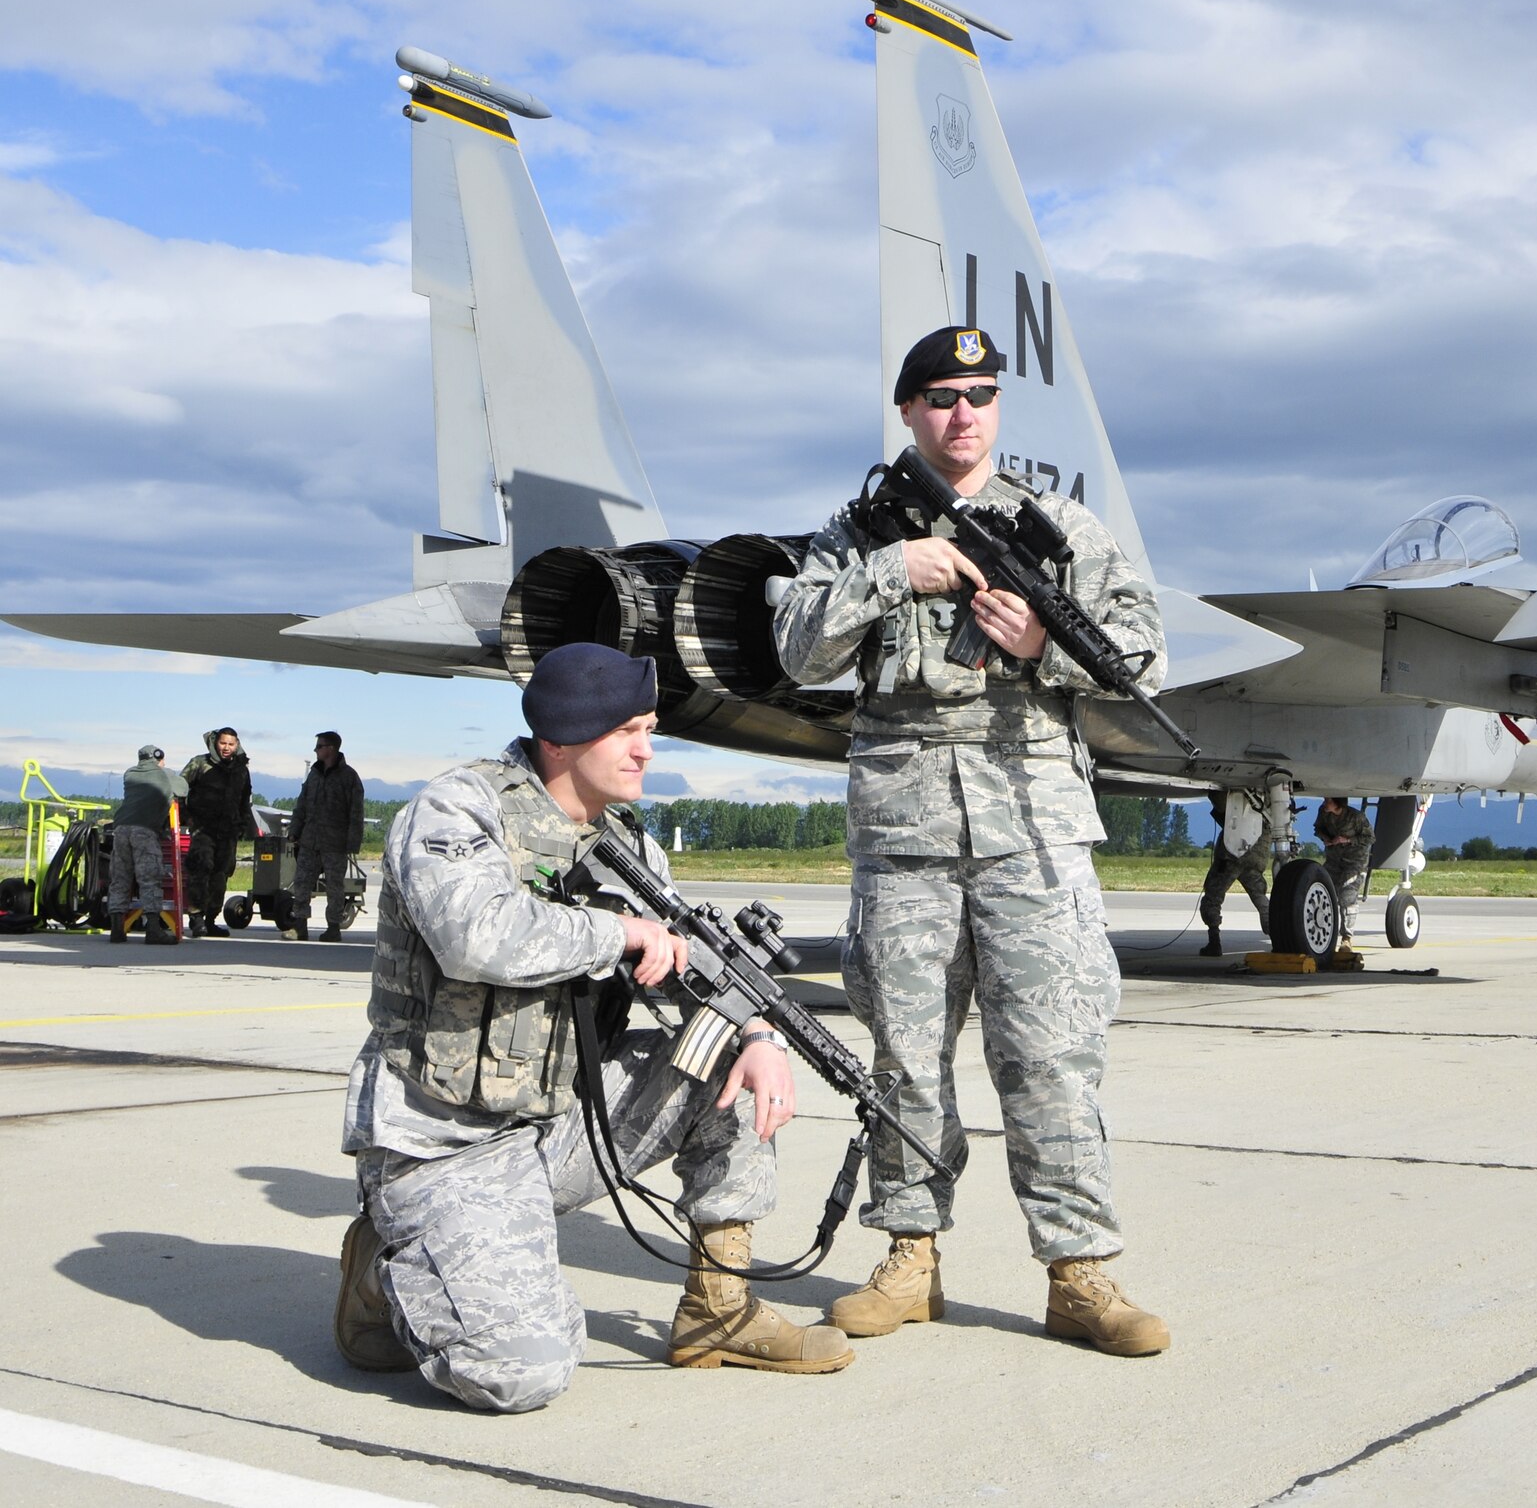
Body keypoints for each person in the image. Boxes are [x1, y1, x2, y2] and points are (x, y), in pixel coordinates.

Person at [773, 324, 1171, 1358]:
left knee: (1051, 1052)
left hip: (1029, 821)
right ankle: (911, 1256)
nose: (963, 414)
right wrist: (890, 571)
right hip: (903, 829)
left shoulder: (1060, 526)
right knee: (904, 1053)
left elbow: (1143, 658)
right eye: (941, 396)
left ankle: (1078, 1270)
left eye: (980, 395)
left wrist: (1043, 646)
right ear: (906, 410)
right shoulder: (861, 532)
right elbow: (797, 647)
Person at [334, 642, 851, 1412]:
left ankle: (719, 1308)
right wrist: (619, 934)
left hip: (557, 1124)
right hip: (446, 1142)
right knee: (520, 1373)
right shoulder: (456, 811)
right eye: (627, 731)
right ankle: (383, 1265)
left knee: (727, 1060)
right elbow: (476, 935)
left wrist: (761, 1036)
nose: (647, 749)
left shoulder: (629, 847)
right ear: (564, 738)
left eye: (649, 728)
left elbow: (691, 969)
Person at [286, 730, 364, 941]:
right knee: (301, 883)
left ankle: (333, 928)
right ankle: (299, 926)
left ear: (330, 748)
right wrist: (294, 831)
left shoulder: (349, 777)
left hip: (335, 843)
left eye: (319, 746)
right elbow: (301, 804)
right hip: (310, 840)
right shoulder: (314, 774)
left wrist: (352, 843)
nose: (316, 750)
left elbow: (356, 812)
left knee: (335, 887)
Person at [108, 745, 186, 945]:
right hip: (144, 830)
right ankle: (153, 930)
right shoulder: (164, 774)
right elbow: (183, 788)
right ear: (158, 758)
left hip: (121, 829)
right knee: (150, 878)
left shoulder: (130, 774)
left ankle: (117, 930)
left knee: (120, 878)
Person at [180, 727, 254, 938]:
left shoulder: (241, 770)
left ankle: (211, 919)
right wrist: (187, 817)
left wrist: (244, 825)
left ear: (237, 745)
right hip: (203, 829)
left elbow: (245, 798)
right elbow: (179, 789)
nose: (226, 748)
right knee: (201, 868)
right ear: (215, 743)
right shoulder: (199, 763)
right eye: (223, 743)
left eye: (231, 744)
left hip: (228, 831)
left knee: (221, 875)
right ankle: (196, 918)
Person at [1198, 791, 1271, 957]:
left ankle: (1214, 941)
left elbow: (1217, 798)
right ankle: (1278, 938)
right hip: (1256, 856)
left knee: (1212, 897)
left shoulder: (1238, 794)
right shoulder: (1270, 801)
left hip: (1231, 856)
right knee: (1261, 899)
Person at [1314, 797, 1375, 932]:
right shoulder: (1324, 812)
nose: (1324, 803)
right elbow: (1318, 828)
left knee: (1347, 896)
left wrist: (1347, 840)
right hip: (1333, 861)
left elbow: (1370, 837)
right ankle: (1325, 929)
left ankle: (1347, 937)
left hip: (1354, 862)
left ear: (1337, 803)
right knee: (1321, 890)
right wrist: (1325, 838)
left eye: (1328, 801)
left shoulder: (1356, 817)